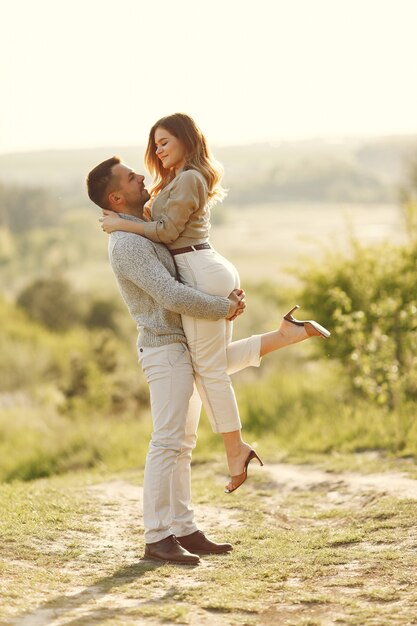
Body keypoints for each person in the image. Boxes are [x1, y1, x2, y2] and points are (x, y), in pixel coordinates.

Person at [100, 114, 330, 494]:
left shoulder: (190, 177)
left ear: (188, 141)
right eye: (154, 144)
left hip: (198, 268)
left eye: (165, 141)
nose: (157, 150)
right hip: (200, 266)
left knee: (210, 371)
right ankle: (285, 335)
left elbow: (167, 232)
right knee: (213, 361)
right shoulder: (175, 180)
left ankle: (235, 449)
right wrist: (131, 217)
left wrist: (123, 224)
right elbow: (160, 224)